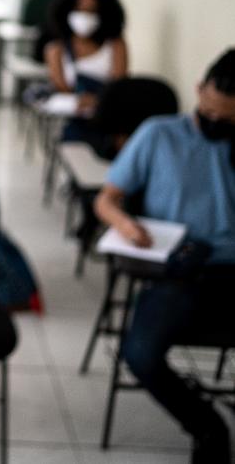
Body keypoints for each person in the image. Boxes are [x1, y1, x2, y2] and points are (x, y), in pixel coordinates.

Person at [94, 48, 235, 464]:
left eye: (227, 119)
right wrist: (125, 224)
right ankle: (206, 424)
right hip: (178, 268)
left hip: (231, 270)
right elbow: (106, 200)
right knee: (140, 354)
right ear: (199, 91)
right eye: (209, 111)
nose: (214, 123)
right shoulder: (159, 134)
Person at [45, 0, 128, 157]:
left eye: (92, 11)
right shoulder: (55, 50)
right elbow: (63, 90)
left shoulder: (116, 45)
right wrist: (80, 101)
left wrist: (97, 101)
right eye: (79, 9)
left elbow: (120, 87)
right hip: (76, 119)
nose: (84, 16)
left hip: (109, 117)